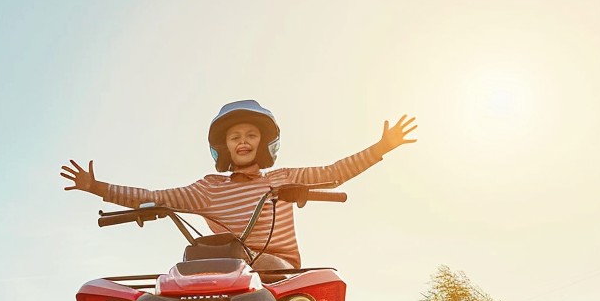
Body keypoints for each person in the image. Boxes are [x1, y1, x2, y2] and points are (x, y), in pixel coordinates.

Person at [59, 99, 417, 272]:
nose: (242, 142)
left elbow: (334, 172)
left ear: (263, 143)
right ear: (224, 146)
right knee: (175, 278)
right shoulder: (209, 188)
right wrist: (98, 187)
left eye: (250, 135)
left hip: (276, 271)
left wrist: (381, 147)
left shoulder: (282, 178)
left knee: (279, 273)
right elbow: (155, 198)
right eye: (234, 137)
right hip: (222, 271)